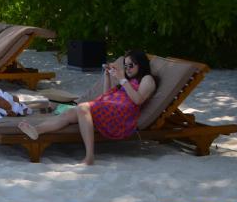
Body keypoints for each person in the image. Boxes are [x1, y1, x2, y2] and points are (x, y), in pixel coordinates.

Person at [18, 50, 156, 165]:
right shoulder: (129, 81)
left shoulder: (147, 79)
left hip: (123, 115)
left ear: (141, 64)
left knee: (83, 108)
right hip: (110, 108)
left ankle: (89, 156)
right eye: (125, 66)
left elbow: (138, 100)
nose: (127, 69)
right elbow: (106, 95)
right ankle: (37, 130)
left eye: (130, 65)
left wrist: (122, 80)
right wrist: (107, 77)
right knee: (70, 113)